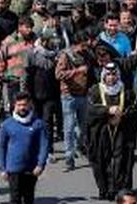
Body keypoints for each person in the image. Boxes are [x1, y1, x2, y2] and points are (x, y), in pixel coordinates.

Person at [86, 62, 137, 201]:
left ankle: (122, 189)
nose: (111, 77)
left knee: (123, 160)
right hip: (102, 132)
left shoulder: (126, 91)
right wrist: (107, 111)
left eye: (114, 74)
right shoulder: (95, 90)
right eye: (108, 74)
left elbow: (134, 109)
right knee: (102, 161)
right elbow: (90, 110)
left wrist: (121, 116)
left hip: (122, 130)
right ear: (104, 76)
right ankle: (106, 190)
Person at [0, 92, 49, 204]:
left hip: (31, 169)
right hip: (13, 169)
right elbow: (2, 147)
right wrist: (3, 168)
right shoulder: (7, 124)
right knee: (15, 199)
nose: (22, 108)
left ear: (30, 105)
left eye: (24, 104)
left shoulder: (38, 124)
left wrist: (41, 165)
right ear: (14, 105)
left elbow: (44, 145)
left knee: (28, 199)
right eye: (19, 105)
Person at [55, 32, 92, 172]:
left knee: (83, 127)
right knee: (69, 127)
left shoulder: (86, 55)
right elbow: (58, 74)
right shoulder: (65, 56)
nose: (85, 48)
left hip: (83, 94)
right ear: (77, 44)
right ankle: (69, 156)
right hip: (68, 95)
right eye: (83, 45)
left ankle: (78, 147)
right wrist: (76, 71)